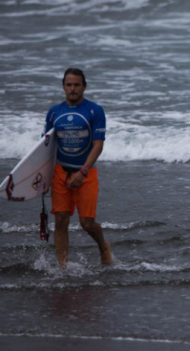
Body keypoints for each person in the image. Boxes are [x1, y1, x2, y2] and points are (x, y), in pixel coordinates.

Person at [45, 68, 112, 268]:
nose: (72, 89)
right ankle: (63, 267)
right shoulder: (54, 112)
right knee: (60, 221)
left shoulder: (95, 111)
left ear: (84, 86)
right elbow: (45, 147)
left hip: (86, 173)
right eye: (69, 85)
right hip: (60, 173)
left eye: (76, 85)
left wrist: (82, 172)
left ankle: (103, 246)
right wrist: (43, 177)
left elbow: (98, 145)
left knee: (87, 223)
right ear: (63, 87)